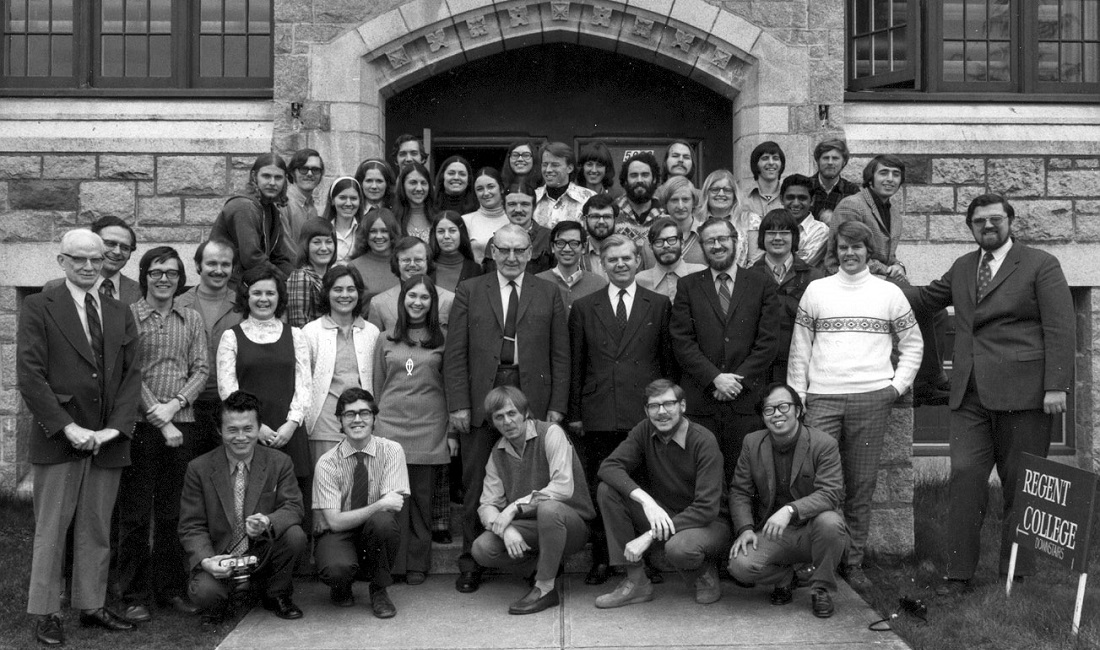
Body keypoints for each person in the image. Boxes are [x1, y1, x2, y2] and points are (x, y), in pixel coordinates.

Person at [904, 194, 1075, 596]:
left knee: (1022, 484)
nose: (987, 226)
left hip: (1026, 394)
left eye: (995, 219)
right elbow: (925, 301)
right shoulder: (964, 267)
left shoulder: (1040, 264)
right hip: (969, 396)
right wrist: (865, 284)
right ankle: (959, 574)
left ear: (1010, 221)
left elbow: (1061, 327)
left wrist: (1057, 385)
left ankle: (1016, 573)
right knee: (964, 477)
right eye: (979, 221)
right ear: (970, 227)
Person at [19, 229, 141, 646]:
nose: (89, 266)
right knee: (51, 528)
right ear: (62, 261)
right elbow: (30, 376)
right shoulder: (39, 306)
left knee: (96, 526)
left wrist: (114, 428)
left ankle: (91, 604)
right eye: (79, 259)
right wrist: (67, 426)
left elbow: (131, 376)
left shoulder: (120, 310)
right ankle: (45, 611)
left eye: (96, 258)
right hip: (59, 435)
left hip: (108, 437)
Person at [787, 220, 923, 588]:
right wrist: (799, 395)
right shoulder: (816, 290)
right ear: (835, 250)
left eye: (857, 247)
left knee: (861, 483)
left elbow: (913, 344)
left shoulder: (888, 293)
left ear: (869, 251)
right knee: (814, 482)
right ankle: (813, 559)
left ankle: (854, 562)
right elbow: (800, 349)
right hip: (823, 398)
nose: (850, 253)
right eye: (843, 247)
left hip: (871, 398)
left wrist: (895, 387)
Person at [444, 223, 570, 594]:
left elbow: (560, 355)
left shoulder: (548, 291)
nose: (512, 257)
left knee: (535, 482)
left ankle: (538, 562)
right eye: (504, 250)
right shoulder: (470, 290)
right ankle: (472, 562)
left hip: (532, 396)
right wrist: (459, 405)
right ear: (492, 252)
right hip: (482, 397)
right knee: (475, 486)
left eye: (519, 250)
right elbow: (455, 353)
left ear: (531, 253)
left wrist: (557, 408)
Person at [568, 234, 674, 585]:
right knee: (603, 486)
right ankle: (604, 558)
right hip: (599, 412)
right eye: (612, 260)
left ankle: (649, 558)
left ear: (638, 260)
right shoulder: (585, 306)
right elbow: (576, 364)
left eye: (627, 258)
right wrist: (576, 413)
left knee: (646, 487)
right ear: (602, 263)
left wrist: (665, 411)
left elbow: (666, 362)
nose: (620, 264)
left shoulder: (658, 304)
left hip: (644, 415)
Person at [115, 246, 208, 623]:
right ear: (145, 276)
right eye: (156, 272)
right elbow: (130, 371)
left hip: (182, 426)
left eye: (171, 272)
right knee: (136, 514)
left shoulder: (192, 319)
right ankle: (133, 593)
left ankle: (169, 588)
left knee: (172, 514)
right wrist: (160, 416)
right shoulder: (129, 316)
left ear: (180, 277)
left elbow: (201, 368)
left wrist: (175, 406)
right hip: (141, 426)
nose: (164, 278)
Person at [825, 155, 950, 406]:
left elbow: (891, 256)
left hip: (880, 280)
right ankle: (929, 380)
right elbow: (847, 252)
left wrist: (898, 266)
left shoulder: (893, 210)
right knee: (920, 300)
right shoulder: (853, 206)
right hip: (852, 278)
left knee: (939, 312)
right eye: (884, 173)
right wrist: (885, 268)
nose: (890, 179)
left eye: (895, 174)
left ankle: (929, 379)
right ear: (870, 178)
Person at [595, 379, 730, 608]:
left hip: (709, 523)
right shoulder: (644, 429)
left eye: (669, 404)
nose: (662, 412)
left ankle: (704, 572)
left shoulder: (703, 440)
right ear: (646, 410)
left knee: (679, 547)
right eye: (654, 406)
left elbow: (707, 508)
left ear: (683, 406)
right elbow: (608, 467)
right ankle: (636, 581)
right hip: (667, 515)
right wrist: (646, 500)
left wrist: (648, 536)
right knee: (607, 490)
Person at [178, 390, 307, 622]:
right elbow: (191, 525)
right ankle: (228, 595)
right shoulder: (199, 469)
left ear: (259, 428)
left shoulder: (280, 462)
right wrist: (207, 560)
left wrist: (268, 521)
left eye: (248, 429)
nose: (241, 437)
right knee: (206, 594)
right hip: (221, 556)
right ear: (219, 430)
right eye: (232, 430)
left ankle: (276, 594)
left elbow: (294, 507)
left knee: (295, 535)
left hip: (261, 555)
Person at [671, 217, 780, 483]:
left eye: (723, 239)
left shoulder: (761, 284)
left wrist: (736, 381)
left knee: (745, 477)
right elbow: (682, 341)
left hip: (746, 402)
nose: (717, 246)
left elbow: (768, 342)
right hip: (702, 400)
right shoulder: (687, 286)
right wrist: (715, 378)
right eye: (710, 241)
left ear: (736, 241)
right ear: (702, 246)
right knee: (702, 476)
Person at [728, 383, 848, 618]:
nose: (777, 414)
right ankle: (785, 579)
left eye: (783, 406)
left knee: (831, 522)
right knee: (739, 565)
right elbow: (740, 491)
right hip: (774, 533)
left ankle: (821, 588)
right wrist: (745, 529)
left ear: (798, 410)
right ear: (763, 417)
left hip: (814, 529)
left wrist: (791, 510)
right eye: (769, 410)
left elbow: (830, 492)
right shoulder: (752, 443)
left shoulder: (824, 444)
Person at [472, 386, 594, 614]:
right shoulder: (497, 453)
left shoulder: (550, 433)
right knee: (482, 548)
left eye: (512, 413)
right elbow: (487, 504)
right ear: (493, 422)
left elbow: (562, 487)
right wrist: (505, 529)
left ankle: (545, 588)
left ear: (525, 413)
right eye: (499, 417)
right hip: (533, 527)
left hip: (570, 523)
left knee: (548, 508)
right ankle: (545, 565)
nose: (507, 421)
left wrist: (514, 508)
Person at [372, 275, 454, 585]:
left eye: (424, 297)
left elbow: (449, 388)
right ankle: (394, 564)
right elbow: (378, 387)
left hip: (430, 428)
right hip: (389, 429)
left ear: (433, 303)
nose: (417, 302)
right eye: (411, 296)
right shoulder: (385, 339)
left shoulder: (444, 339)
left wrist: (452, 434)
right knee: (393, 501)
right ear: (402, 300)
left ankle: (418, 563)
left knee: (421, 501)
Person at [216, 265, 313, 506]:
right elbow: (227, 389)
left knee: (291, 503)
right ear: (246, 296)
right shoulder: (231, 336)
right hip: (247, 434)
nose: (263, 299)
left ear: (279, 296)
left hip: (289, 432)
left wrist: (291, 425)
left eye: (270, 293)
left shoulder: (296, 335)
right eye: (257, 293)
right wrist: (255, 428)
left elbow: (304, 385)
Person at [313, 387, 409, 618]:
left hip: (372, 530)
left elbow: (392, 507)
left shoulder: (392, 451)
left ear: (374, 417)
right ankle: (342, 586)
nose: (357, 420)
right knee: (337, 569)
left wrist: (381, 507)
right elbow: (334, 523)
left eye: (364, 413)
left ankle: (379, 590)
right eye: (349, 414)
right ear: (340, 420)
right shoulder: (327, 463)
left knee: (384, 523)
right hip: (339, 534)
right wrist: (378, 505)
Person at [301, 265, 380, 464]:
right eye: (337, 289)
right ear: (326, 293)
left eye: (350, 289)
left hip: (362, 425)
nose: (344, 295)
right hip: (324, 426)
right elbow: (302, 382)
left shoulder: (372, 332)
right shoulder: (311, 332)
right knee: (326, 489)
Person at [177, 239, 243, 455]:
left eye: (225, 265)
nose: (219, 270)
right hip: (186, 405)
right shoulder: (178, 304)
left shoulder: (244, 306)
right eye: (211, 264)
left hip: (230, 404)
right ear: (198, 266)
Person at [748, 209, 825, 384]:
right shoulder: (748, 277)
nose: (777, 238)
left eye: (784, 232)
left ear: (794, 237)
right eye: (771, 232)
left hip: (801, 366)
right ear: (761, 237)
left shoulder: (813, 277)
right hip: (759, 368)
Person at [210, 153, 295, 285]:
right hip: (227, 283)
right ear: (254, 177)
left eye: (278, 177)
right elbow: (252, 258)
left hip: (253, 282)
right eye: (266, 176)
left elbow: (278, 258)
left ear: (284, 181)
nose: (272, 183)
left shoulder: (271, 209)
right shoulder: (244, 206)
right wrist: (283, 280)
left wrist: (297, 278)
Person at [42, 216, 141, 304]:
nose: (117, 252)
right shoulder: (54, 288)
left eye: (125, 247)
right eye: (110, 244)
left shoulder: (141, 292)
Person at [366, 236, 455, 333]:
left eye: (418, 260)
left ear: (428, 262)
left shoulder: (449, 299)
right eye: (406, 260)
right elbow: (375, 343)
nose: (412, 264)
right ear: (397, 263)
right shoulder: (379, 303)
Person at [536, 219, 608, 310]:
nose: (567, 249)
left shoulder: (598, 284)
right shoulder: (537, 282)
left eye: (574, 243)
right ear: (552, 247)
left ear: (583, 248)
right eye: (560, 243)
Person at [483, 185, 553, 275]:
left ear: (534, 207)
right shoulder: (494, 240)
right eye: (512, 204)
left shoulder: (548, 237)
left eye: (525, 204)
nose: (518, 210)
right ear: (504, 208)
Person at [699, 169, 760, 269]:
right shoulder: (698, 220)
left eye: (727, 190)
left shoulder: (750, 220)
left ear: (734, 194)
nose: (721, 194)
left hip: (742, 281)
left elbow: (755, 261)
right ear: (707, 193)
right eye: (715, 190)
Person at [635, 216, 706, 301]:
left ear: (682, 243)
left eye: (672, 240)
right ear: (650, 247)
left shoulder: (701, 274)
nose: (666, 245)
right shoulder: (640, 282)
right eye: (659, 242)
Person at [285, 218, 337, 328]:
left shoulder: (333, 276)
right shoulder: (301, 276)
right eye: (317, 242)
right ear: (306, 246)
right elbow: (298, 325)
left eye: (328, 242)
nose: (324, 248)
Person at [533, 141, 595, 229]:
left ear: (569, 168)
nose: (548, 170)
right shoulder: (532, 197)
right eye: (545, 165)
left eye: (555, 165)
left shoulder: (589, 198)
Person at [348, 209, 402, 301]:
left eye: (384, 231)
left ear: (392, 233)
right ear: (365, 234)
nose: (379, 236)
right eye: (373, 231)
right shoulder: (354, 267)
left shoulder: (404, 263)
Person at [615, 151, 667, 242]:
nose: (639, 180)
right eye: (634, 175)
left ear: (654, 179)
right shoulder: (612, 212)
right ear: (626, 180)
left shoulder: (666, 214)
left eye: (645, 175)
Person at [281, 148, 325, 257]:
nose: (310, 174)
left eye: (315, 169)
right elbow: (286, 247)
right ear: (292, 172)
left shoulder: (312, 207)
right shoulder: (284, 203)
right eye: (303, 169)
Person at [780, 174, 829, 269]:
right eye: (790, 197)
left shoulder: (821, 231)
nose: (796, 203)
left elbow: (800, 265)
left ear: (812, 200)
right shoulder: (773, 226)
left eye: (802, 198)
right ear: (781, 199)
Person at [462, 167, 509, 264]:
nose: (486, 193)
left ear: (502, 188)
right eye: (480, 189)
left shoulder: (513, 219)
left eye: (491, 187)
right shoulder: (466, 221)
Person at [654, 175, 705, 265]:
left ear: (694, 202)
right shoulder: (654, 238)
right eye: (674, 200)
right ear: (665, 203)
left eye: (685, 199)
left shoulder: (706, 235)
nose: (680, 206)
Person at [430, 211, 483, 293]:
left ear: (461, 233)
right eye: (441, 231)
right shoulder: (427, 267)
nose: (446, 236)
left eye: (452, 231)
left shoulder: (474, 269)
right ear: (434, 235)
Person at [809, 138, 859, 220]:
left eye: (835, 158)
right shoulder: (805, 186)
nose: (830, 162)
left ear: (844, 162)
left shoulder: (852, 191)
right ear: (817, 161)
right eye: (825, 158)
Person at [740, 141, 785, 223]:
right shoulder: (742, 198)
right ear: (756, 164)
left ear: (782, 164)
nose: (771, 163)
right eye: (765, 158)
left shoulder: (788, 195)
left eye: (775, 158)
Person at [321, 176, 363, 264]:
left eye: (353, 198)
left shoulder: (365, 230)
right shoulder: (320, 229)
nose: (348, 203)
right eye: (342, 198)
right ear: (332, 200)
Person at [393, 161, 436, 243]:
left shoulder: (438, 217)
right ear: (402, 186)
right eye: (413, 183)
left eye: (423, 183)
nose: (419, 188)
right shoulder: (392, 219)